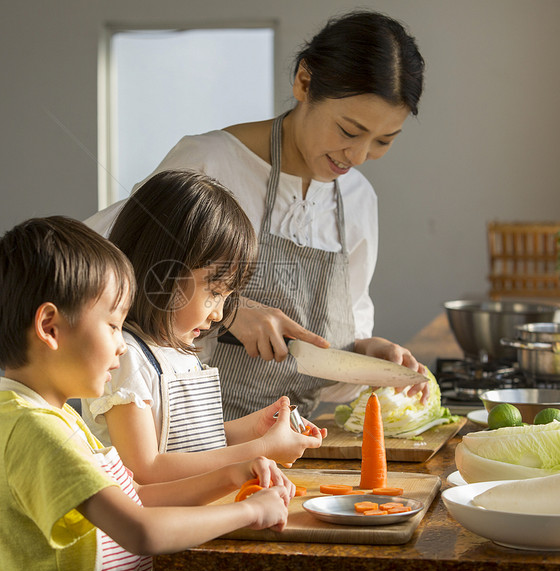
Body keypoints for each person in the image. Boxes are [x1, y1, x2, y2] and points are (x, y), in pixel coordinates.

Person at [86, 10, 428, 420]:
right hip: (179, 438)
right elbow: (101, 275)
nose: (358, 156)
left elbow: (327, 362)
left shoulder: (357, 200)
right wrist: (229, 311)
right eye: (349, 131)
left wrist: (365, 358)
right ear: (304, 81)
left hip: (289, 443)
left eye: (383, 140)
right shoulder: (209, 162)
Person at [0, 216, 292, 571]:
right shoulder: (37, 434)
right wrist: (250, 511)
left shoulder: (51, 417)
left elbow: (135, 499)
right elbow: (141, 530)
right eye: (112, 326)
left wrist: (232, 475)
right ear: (50, 328)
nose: (122, 346)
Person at [82, 170, 326, 484]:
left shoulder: (179, 353)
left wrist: (252, 430)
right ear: (162, 272)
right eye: (214, 292)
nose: (219, 313)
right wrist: (259, 449)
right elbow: (146, 469)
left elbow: (188, 445)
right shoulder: (127, 358)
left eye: (227, 297)